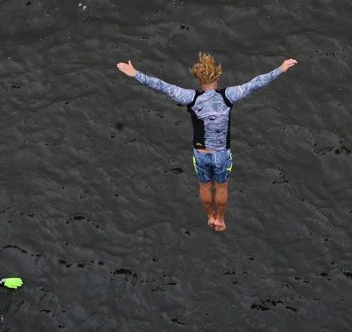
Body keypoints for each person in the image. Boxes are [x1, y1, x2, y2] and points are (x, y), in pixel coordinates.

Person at [116, 53, 298, 231]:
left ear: (198, 80)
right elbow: (255, 83)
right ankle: (220, 218)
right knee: (221, 186)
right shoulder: (228, 96)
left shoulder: (191, 98)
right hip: (221, 154)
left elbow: (162, 87)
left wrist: (136, 74)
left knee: (205, 185)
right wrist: (279, 69)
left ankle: (210, 216)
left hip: (201, 153)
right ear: (217, 77)